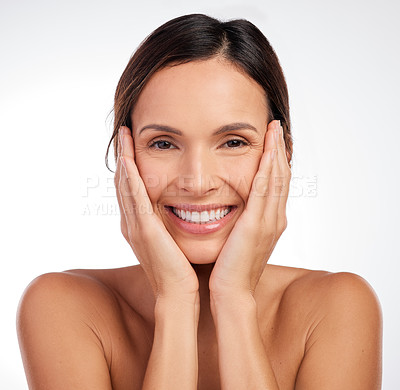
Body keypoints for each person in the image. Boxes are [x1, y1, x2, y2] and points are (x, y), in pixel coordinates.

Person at [16, 13, 382, 390]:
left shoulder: (338, 308)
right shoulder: (63, 306)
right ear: (126, 159)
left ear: (282, 154)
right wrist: (174, 302)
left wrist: (235, 300)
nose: (198, 182)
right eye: (163, 143)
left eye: (233, 142)